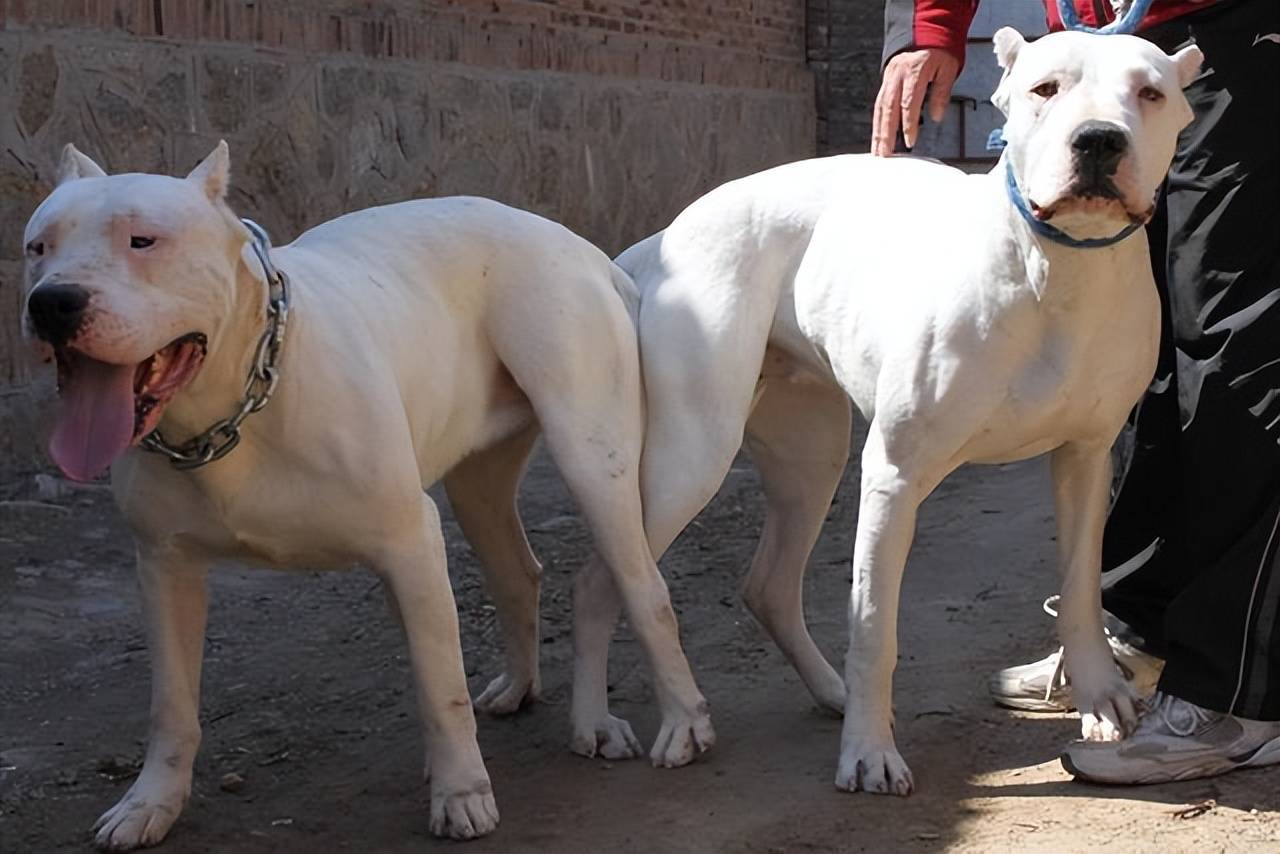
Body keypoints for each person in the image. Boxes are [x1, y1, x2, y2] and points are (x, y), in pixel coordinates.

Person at [874, 0, 1280, 784]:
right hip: (1123, 38)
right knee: (1135, 350)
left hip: (1242, 33)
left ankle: (1237, 693)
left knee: (1235, 348)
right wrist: (930, 25)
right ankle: (1141, 633)